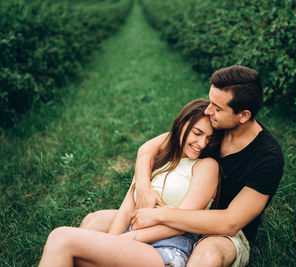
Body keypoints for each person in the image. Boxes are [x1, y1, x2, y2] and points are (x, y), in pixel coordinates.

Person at [81, 65, 284, 267]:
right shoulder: (212, 127)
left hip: (219, 232)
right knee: (93, 221)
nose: (208, 110)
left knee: (207, 256)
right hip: (178, 211)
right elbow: (148, 149)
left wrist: (161, 214)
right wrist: (143, 187)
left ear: (243, 115)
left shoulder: (267, 158)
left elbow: (229, 222)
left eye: (218, 108)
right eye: (211, 102)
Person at [39, 99, 222, 267]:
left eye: (209, 138)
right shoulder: (161, 158)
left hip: (165, 247)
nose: (202, 143)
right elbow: (129, 203)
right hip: (135, 239)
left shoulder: (206, 166)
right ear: (182, 126)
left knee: (61, 237)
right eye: (197, 133)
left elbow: (183, 225)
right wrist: (112, 240)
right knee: (81, 242)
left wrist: (125, 239)